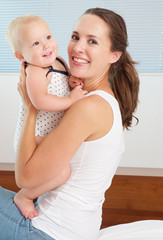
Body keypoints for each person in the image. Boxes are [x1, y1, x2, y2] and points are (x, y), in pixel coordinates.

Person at [1, 7, 163, 240]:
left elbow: (24, 179)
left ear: (114, 55)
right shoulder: (96, 99)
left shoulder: (89, 107)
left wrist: (30, 107)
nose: (77, 47)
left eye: (93, 41)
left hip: (44, 231)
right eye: (75, 37)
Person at [6, 15, 87, 219]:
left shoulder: (58, 61)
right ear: (20, 56)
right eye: (35, 43)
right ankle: (24, 196)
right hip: (34, 136)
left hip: (48, 135)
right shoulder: (34, 71)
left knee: (61, 169)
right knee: (62, 172)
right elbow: (40, 101)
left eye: (48, 37)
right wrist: (70, 100)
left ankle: (36, 195)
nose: (46, 45)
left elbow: (61, 84)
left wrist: (72, 83)